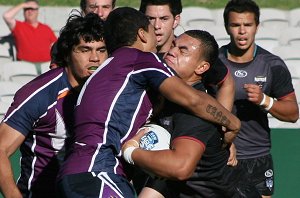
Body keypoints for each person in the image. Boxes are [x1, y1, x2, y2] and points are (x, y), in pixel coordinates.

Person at [57, 7, 241, 198]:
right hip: (99, 171)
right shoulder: (142, 59)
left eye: (181, 49)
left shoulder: (108, 70)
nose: (169, 49)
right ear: (143, 34)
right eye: (153, 30)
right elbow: (193, 100)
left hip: (78, 173)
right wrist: (232, 123)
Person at [122, 30, 260, 198]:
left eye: (183, 50)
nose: (172, 51)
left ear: (202, 67)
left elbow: (180, 169)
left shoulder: (194, 115)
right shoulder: (166, 92)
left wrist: (131, 152)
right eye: (173, 45)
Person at [0, 13, 108, 198]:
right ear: (67, 54)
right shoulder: (41, 93)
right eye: (85, 50)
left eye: (101, 50)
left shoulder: (111, 90)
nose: (95, 58)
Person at [219, 0, 299, 197]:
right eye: (235, 25)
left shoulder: (272, 64)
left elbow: (293, 114)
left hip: (257, 156)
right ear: (227, 27)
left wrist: (265, 100)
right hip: (222, 154)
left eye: (248, 25)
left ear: (257, 26)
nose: (242, 31)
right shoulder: (214, 62)